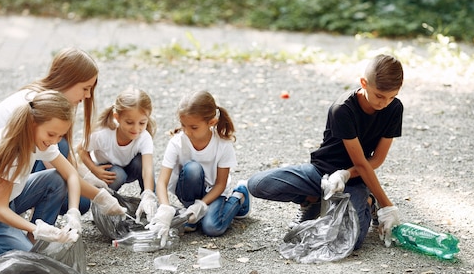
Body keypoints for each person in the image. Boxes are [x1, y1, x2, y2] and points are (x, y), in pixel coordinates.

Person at [0, 91, 124, 274]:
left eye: (60, 136)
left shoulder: (39, 137)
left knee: (56, 179)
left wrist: (75, 211)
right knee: (27, 267)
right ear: (33, 123)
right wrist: (38, 228)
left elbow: (71, 175)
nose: (54, 141)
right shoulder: (12, 150)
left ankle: (34, 244)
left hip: (5, 201)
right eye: (51, 134)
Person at [247, 54, 404, 249]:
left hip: (354, 181)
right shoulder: (343, 109)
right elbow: (362, 162)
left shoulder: (394, 109)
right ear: (364, 83)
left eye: (392, 97)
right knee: (257, 184)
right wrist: (388, 204)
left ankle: (368, 202)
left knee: (349, 242)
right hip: (321, 172)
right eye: (379, 96)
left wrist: (347, 174)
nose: (384, 103)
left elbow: (377, 159)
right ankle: (311, 200)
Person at [0, 47, 99, 215]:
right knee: (62, 160)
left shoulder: (48, 101)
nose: (87, 96)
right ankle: (30, 222)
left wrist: (89, 179)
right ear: (68, 80)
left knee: (82, 201)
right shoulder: (36, 105)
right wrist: (102, 197)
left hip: (13, 174)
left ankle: (30, 224)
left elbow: (68, 164)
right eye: (85, 88)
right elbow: (61, 167)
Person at [147, 90, 251, 242]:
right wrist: (164, 208)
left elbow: (220, 184)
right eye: (183, 125)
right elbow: (162, 181)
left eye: (194, 127)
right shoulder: (177, 142)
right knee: (192, 169)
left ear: (211, 122)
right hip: (188, 193)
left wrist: (202, 204)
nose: (187, 132)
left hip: (214, 193)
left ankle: (239, 196)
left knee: (212, 228)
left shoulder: (222, 145)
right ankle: (193, 215)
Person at [77, 88, 158, 222]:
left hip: (130, 167)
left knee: (140, 162)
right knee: (118, 173)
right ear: (117, 117)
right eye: (129, 122)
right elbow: (80, 150)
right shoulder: (103, 134)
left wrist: (149, 193)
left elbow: (147, 169)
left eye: (142, 123)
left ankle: (149, 206)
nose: (136, 129)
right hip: (107, 171)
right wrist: (94, 169)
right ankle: (101, 206)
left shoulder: (144, 137)